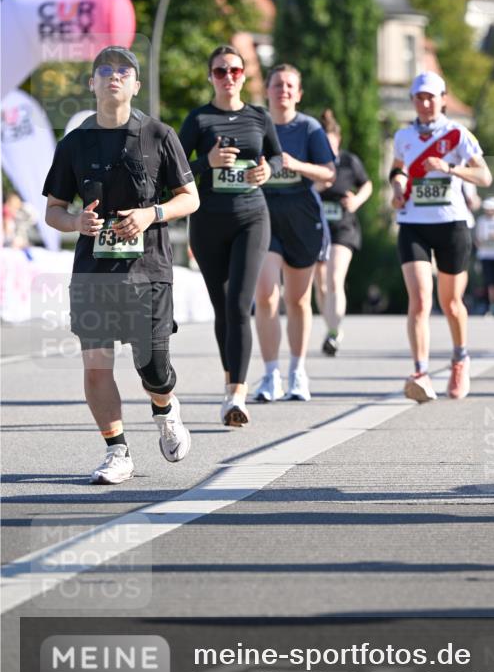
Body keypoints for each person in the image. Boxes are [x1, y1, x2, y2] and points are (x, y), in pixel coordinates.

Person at [43, 46, 199, 485]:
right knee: (96, 363)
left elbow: (191, 198)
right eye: (104, 70)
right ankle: (117, 451)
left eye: (123, 71)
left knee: (153, 367)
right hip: (93, 271)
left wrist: (151, 214)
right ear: (92, 83)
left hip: (148, 269)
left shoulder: (159, 135)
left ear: (135, 85)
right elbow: (53, 210)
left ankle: (166, 410)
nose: (114, 76)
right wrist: (75, 221)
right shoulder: (73, 144)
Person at [178, 44, 282, 426]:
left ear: (243, 76)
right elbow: (173, 171)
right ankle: (229, 382)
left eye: (235, 71)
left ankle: (236, 395)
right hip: (207, 223)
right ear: (211, 77)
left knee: (240, 305)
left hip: (251, 218)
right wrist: (208, 162)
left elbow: (275, 158)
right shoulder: (199, 120)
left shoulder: (259, 117)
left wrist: (266, 172)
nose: (228, 78)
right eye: (220, 71)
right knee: (222, 309)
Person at [390, 71, 492, 402]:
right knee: (420, 299)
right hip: (413, 223)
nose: (425, 103)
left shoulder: (458, 134)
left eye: (430, 96)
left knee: (450, 303)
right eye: (419, 97)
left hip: (452, 224)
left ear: (443, 98)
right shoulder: (403, 136)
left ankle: (460, 358)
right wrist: (397, 187)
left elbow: (484, 175)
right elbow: (398, 168)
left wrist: (450, 169)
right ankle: (420, 372)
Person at [254, 65, 336, 402]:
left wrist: (295, 165)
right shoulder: (256, 124)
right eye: (277, 84)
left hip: (302, 217)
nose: (283, 90)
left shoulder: (310, 128)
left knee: (298, 299)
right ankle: (271, 374)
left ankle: (297, 371)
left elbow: (328, 173)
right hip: (264, 216)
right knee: (266, 295)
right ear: (268, 90)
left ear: (298, 93)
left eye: (289, 86)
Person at [314, 109, 373, 356]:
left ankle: (334, 334)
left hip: (343, 229)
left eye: (331, 144)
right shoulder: (311, 162)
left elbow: (367, 184)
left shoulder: (349, 162)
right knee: (321, 285)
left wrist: (357, 201)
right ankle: (331, 328)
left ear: (338, 141)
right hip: (316, 228)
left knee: (335, 278)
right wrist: (318, 186)